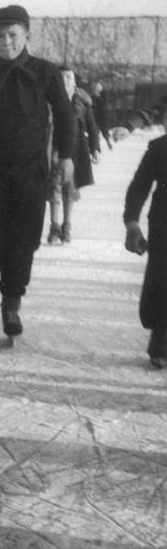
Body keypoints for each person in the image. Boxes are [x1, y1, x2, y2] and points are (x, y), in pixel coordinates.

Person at [0, 4, 74, 340]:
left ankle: (11, 308)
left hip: (31, 172)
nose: (6, 41)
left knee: (23, 242)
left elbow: (65, 116)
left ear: (26, 36)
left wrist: (66, 157)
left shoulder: (45, 72)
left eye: (13, 35)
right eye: (0, 36)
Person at [123, 107, 167, 369]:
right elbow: (139, 185)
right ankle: (161, 337)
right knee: (162, 279)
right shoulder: (160, 148)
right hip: (164, 222)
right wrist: (132, 224)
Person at [46, 66, 100, 245]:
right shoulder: (48, 100)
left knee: (69, 189)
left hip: (76, 151)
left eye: (68, 77)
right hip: (53, 150)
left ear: (74, 81)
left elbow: (92, 126)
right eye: (61, 78)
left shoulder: (82, 102)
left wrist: (94, 148)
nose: (65, 80)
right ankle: (54, 226)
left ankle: (67, 226)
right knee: (54, 187)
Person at [90, 79, 113, 151]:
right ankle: (98, 146)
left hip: (103, 114)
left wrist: (98, 98)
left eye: (97, 89)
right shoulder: (92, 96)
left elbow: (106, 104)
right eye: (94, 89)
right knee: (95, 131)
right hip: (95, 115)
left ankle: (108, 141)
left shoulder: (104, 95)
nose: (95, 91)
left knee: (104, 130)